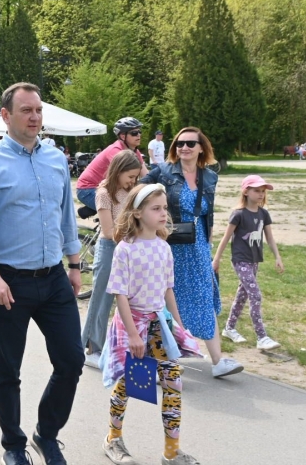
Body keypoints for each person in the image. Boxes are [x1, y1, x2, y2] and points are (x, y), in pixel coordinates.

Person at [0, 82, 83, 465]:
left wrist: (74, 265)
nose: (34, 117)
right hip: (9, 282)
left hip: (54, 279)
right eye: (26, 111)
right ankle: (13, 446)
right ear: (6, 116)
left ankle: (46, 434)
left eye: (38, 110)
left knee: (72, 361)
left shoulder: (56, 159)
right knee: (8, 370)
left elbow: (66, 216)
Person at [101, 183, 203, 465]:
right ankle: (113, 438)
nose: (163, 214)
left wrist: (179, 327)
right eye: (156, 208)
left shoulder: (163, 247)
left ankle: (171, 451)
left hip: (160, 326)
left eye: (164, 208)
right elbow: (120, 294)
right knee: (129, 385)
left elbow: (168, 290)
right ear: (137, 213)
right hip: (133, 326)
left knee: (173, 383)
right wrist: (133, 335)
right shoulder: (125, 249)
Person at [141, 127, 243, 379]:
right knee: (166, 300)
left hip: (198, 247)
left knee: (204, 296)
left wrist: (209, 241)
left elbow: (208, 211)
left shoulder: (210, 176)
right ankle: (162, 360)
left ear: (201, 148)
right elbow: (138, 191)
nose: (184, 147)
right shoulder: (163, 172)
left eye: (190, 143)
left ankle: (218, 361)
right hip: (169, 246)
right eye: (179, 143)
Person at [82, 150, 142, 369]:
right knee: (101, 300)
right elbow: (108, 232)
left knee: (127, 301)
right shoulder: (104, 193)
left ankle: (115, 346)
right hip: (110, 249)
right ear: (118, 171)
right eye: (130, 176)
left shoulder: (131, 191)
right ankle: (91, 348)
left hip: (128, 248)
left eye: (135, 177)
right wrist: (132, 234)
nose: (133, 181)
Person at [213, 175, 284, 351]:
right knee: (255, 295)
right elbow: (226, 237)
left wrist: (277, 256)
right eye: (257, 190)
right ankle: (261, 337)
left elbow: (269, 237)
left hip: (254, 261)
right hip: (240, 260)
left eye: (263, 191)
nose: (261, 194)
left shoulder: (264, 214)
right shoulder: (238, 214)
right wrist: (216, 259)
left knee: (242, 295)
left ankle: (229, 328)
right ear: (246, 192)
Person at [77, 117, 148, 212]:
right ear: (123, 136)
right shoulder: (116, 151)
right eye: (134, 133)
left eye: (139, 132)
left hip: (104, 188)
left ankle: (91, 211)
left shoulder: (135, 151)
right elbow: (122, 180)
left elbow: (146, 175)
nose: (138, 135)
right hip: (87, 189)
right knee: (124, 212)